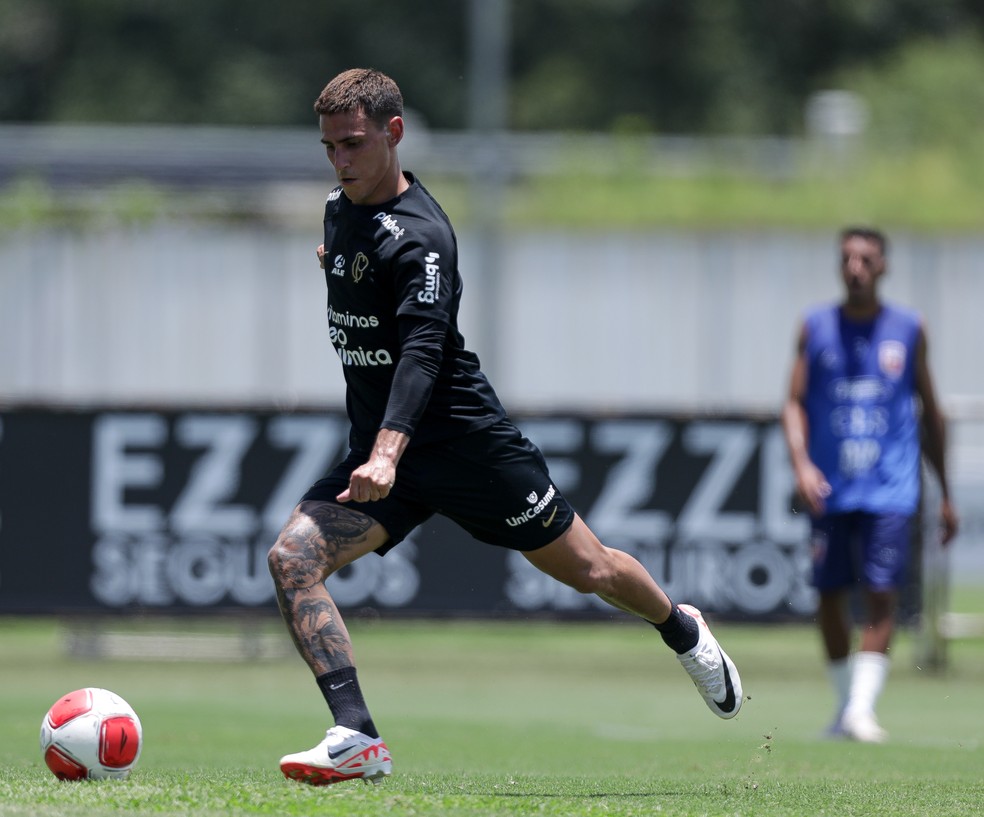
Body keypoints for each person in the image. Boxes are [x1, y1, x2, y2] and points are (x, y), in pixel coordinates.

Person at [267, 68, 743, 787]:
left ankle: (680, 627)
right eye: (329, 146)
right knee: (291, 559)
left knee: (592, 570)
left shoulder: (423, 239)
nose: (340, 160)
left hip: (464, 446)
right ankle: (356, 734)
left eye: (353, 144)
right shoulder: (339, 210)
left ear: (394, 134)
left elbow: (424, 353)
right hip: (383, 457)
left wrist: (389, 451)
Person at [781, 226, 958, 743]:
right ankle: (846, 707)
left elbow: (932, 412)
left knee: (882, 593)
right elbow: (792, 402)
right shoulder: (814, 327)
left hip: (891, 487)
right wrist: (802, 465)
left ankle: (860, 708)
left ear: (882, 267)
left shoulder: (908, 327)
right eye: (846, 259)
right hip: (831, 486)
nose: (855, 267)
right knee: (828, 593)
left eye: (865, 259)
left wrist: (945, 491)